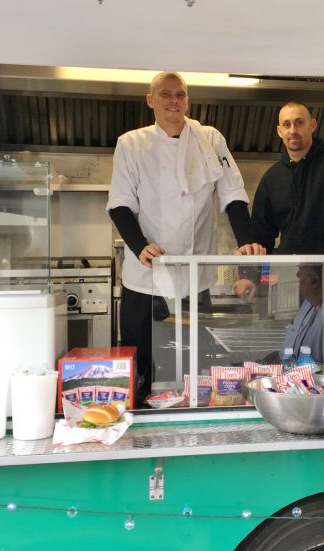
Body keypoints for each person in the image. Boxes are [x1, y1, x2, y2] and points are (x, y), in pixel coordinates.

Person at [106, 71, 264, 406]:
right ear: (151, 100)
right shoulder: (131, 144)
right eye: (166, 94)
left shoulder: (209, 138)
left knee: (196, 366)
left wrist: (246, 239)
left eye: (180, 95)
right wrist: (139, 246)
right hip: (144, 278)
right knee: (141, 369)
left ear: (188, 101)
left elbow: (233, 193)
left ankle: (193, 431)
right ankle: (138, 433)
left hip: (194, 277)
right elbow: (120, 204)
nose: (174, 101)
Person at [233, 101, 324, 301]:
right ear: (279, 131)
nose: (293, 130)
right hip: (290, 281)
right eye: (287, 125)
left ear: (312, 125)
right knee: (296, 331)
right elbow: (261, 237)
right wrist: (250, 277)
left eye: (299, 123)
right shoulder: (272, 178)